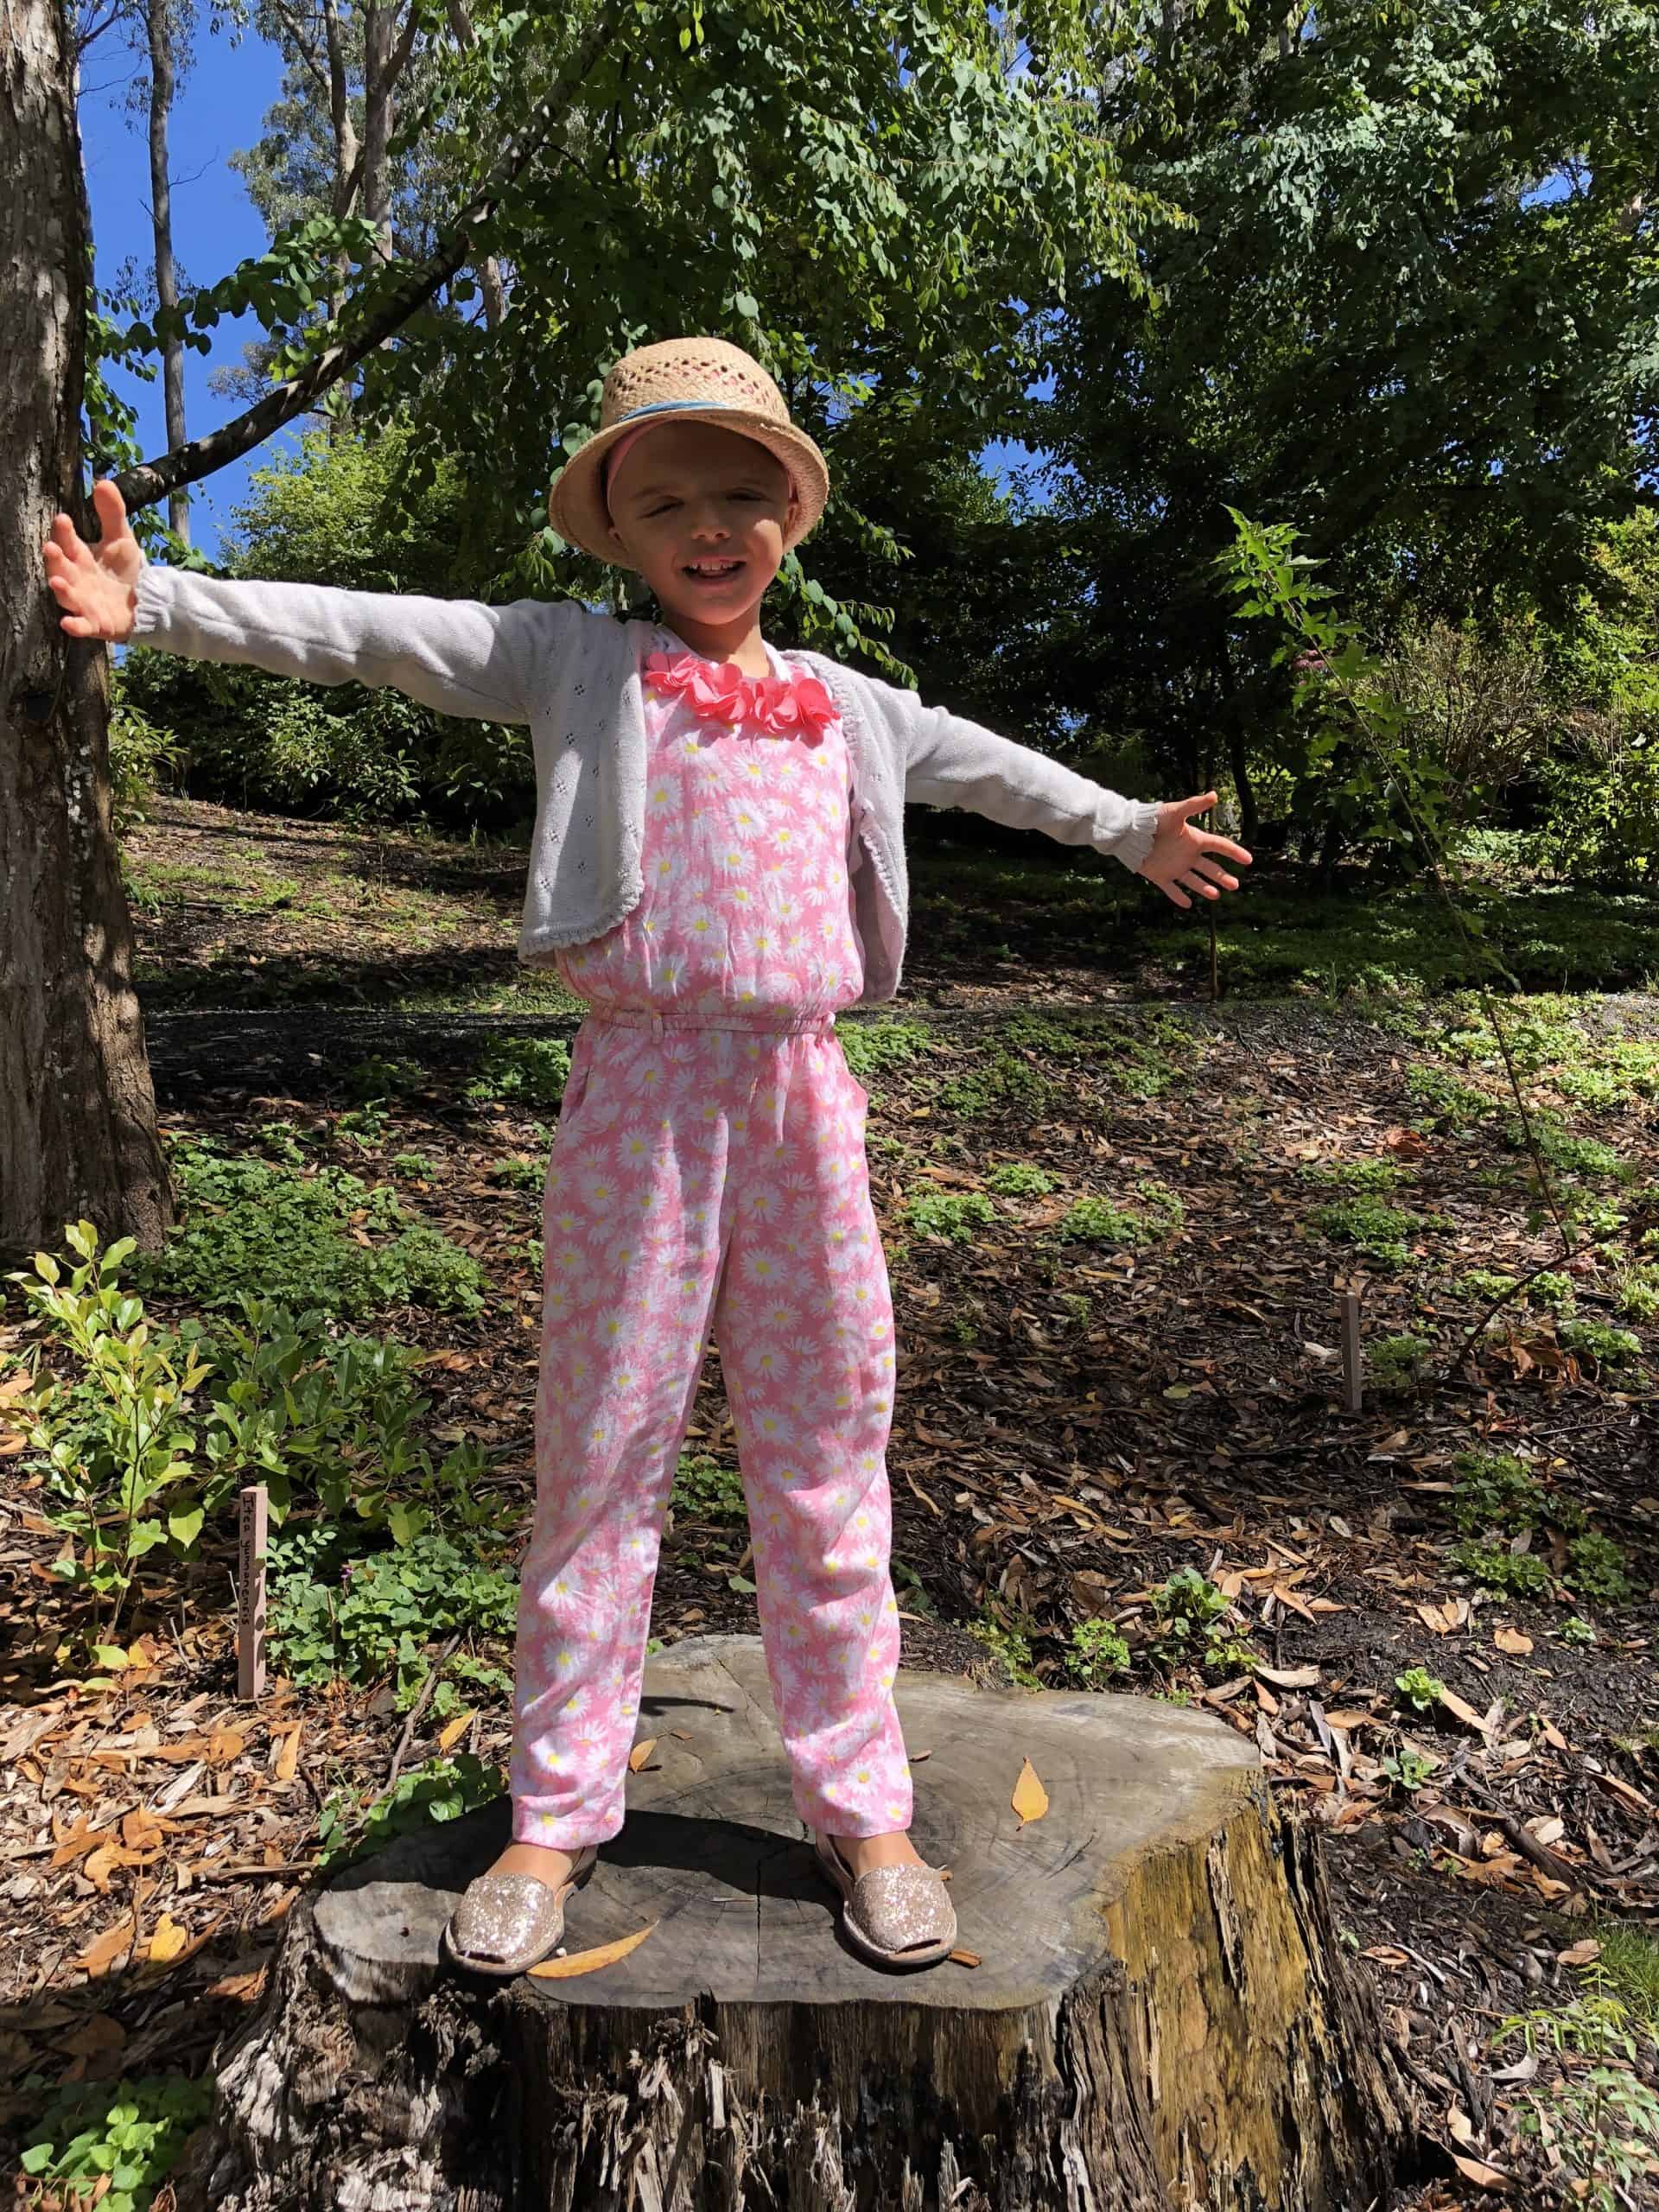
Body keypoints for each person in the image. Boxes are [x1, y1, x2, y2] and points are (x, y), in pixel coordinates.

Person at [45, 335, 1251, 1974]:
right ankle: (556, 1808)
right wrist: (163, 600)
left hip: (803, 1101)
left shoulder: (846, 707)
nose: (707, 524)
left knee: (828, 1450)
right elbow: (377, 639)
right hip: (640, 1100)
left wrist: (1129, 830)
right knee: (600, 1454)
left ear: (792, 521)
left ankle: (859, 1799)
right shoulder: (573, 661)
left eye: (742, 496)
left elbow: (988, 764)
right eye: (665, 497)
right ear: (614, 529)